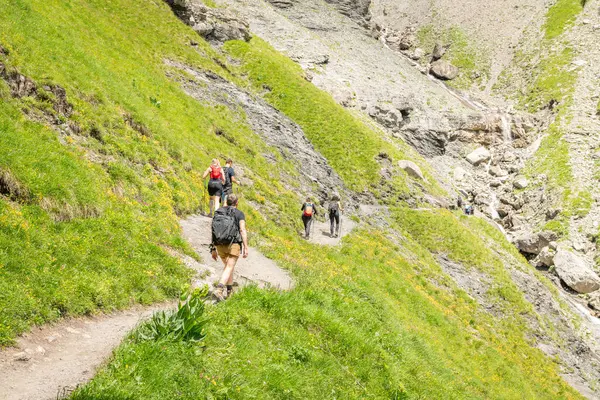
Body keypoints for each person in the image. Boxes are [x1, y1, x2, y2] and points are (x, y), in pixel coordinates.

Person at [210, 194, 249, 301]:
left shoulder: (218, 212)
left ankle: (229, 291)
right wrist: (246, 247)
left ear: (226, 201)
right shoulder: (239, 214)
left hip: (219, 244)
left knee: (228, 267)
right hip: (233, 244)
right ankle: (219, 289)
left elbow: (213, 230)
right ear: (237, 202)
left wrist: (213, 248)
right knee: (229, 267)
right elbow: (242, 230)